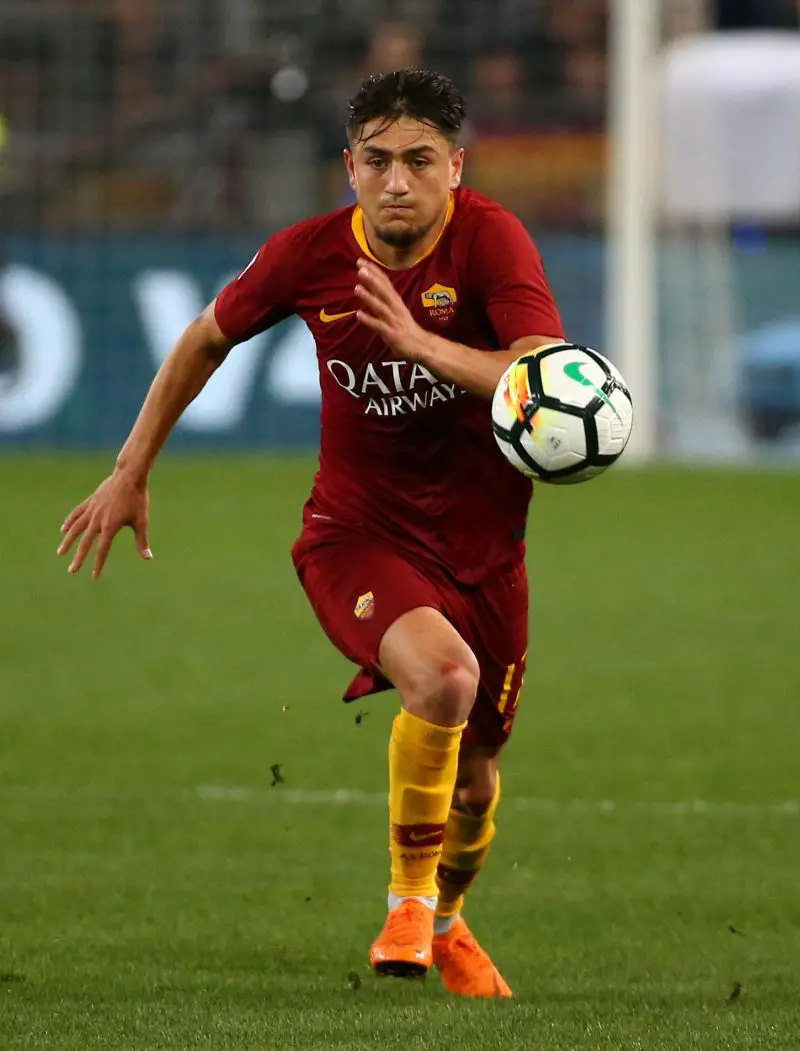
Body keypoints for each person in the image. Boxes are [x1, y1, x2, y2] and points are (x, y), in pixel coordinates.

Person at [57, 69, 565, 998]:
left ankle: (447, 921)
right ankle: (408, 905)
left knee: (477, 780)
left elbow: (540, 373)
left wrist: (419, 345)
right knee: (443, 677)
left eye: (420, 161)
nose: (397, 181)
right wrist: (130, 470)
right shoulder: (309, 254)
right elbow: (204, 337)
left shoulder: (492, 240)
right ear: (349, 166)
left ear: (457, 167)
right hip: (356, 536)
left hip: (488, 553)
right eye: (378, 161)